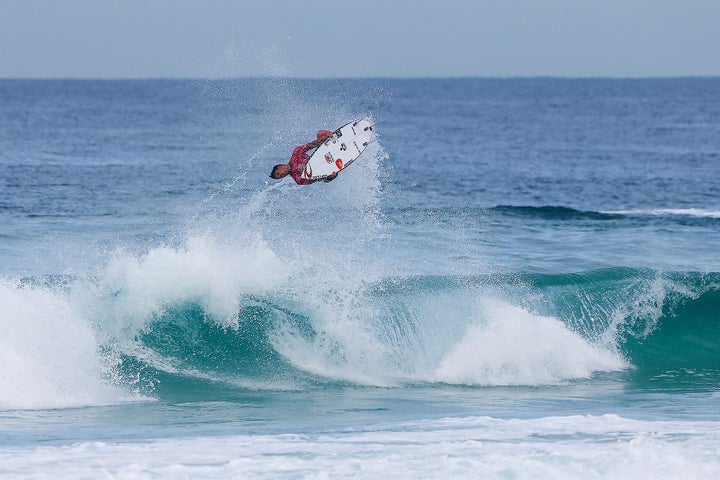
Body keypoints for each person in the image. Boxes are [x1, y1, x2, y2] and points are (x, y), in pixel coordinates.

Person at [269, 130, 338, 185]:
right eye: (280, 177)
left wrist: (321, 139)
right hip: (326, 171)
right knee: (301, 168)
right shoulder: (298, 180)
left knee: (320, 133)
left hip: (323, 157)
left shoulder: (296, 153)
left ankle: (335, 138)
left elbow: (312, 145)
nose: (281, 176)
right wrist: (330, 177)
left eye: (278, 174)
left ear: (280, 166)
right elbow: (317, 179)